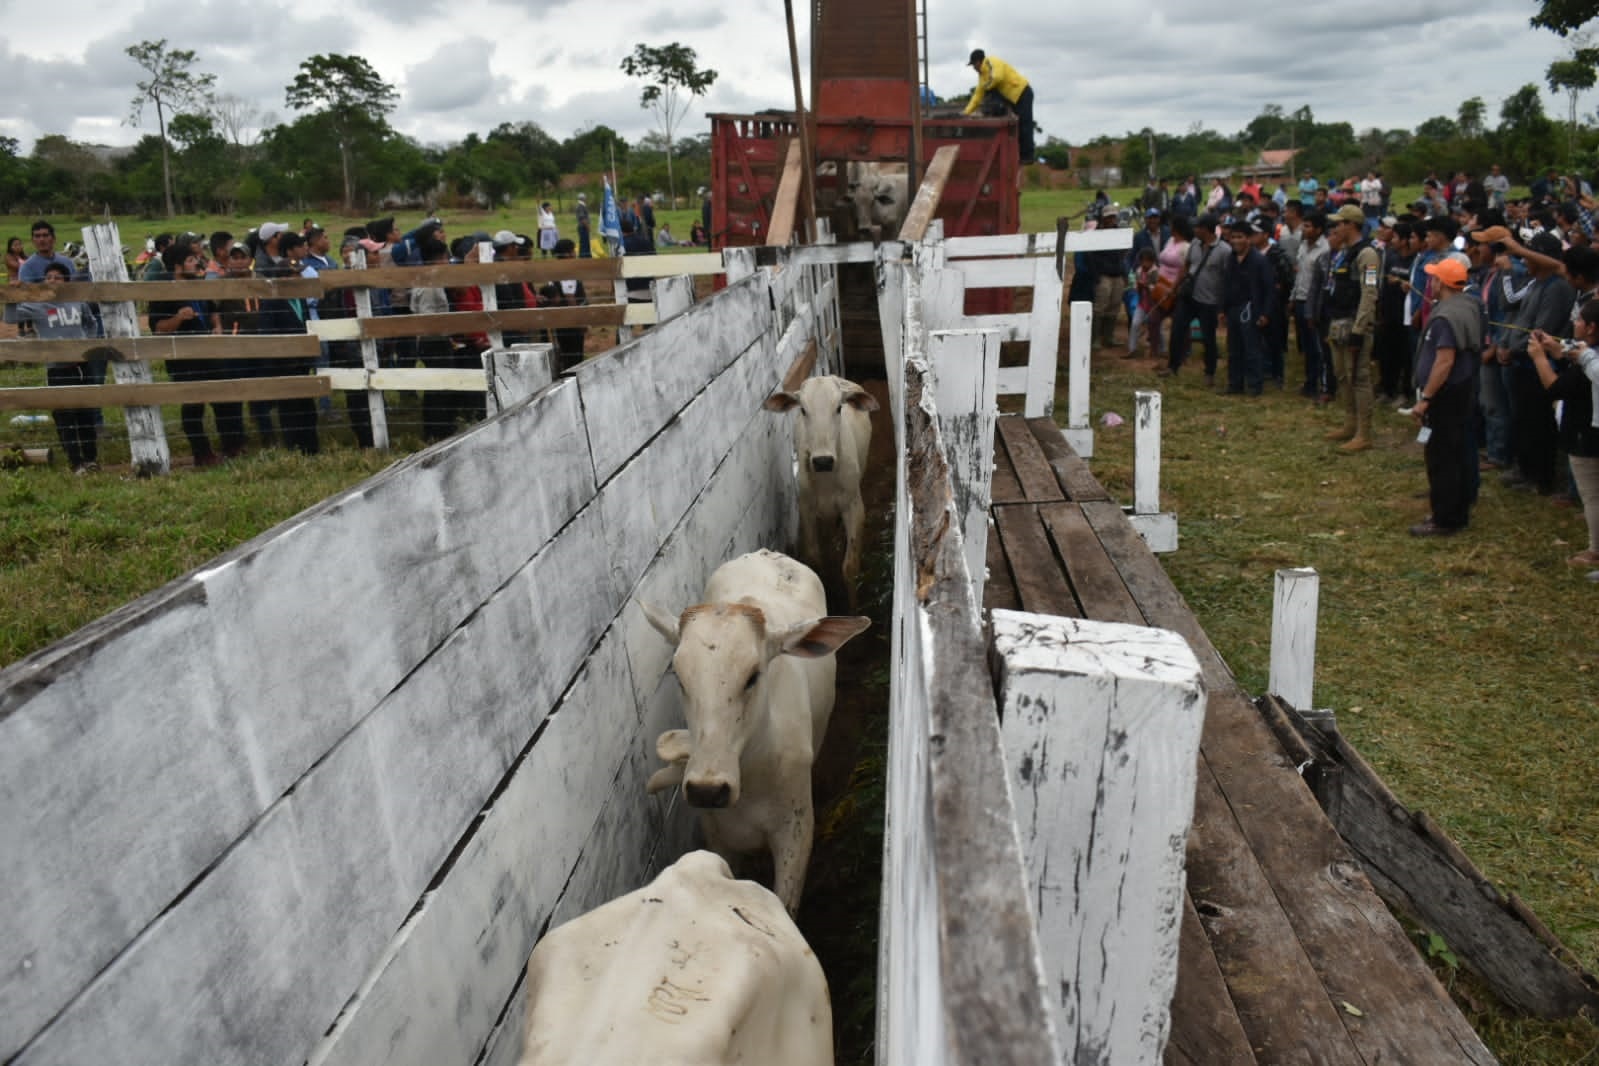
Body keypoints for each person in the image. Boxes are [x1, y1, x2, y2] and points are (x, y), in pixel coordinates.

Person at [3, 261, 103, 472]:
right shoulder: (38, 305)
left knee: (85, 413)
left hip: (82, 365)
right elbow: (11, 317)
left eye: (58, 277)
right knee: (64, 416)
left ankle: (91, 458)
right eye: (48, 278)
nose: (53, 281)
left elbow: (91, 322)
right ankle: (76, 462)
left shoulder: (77, 302)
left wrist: (88, 343)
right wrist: (12, 296)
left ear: (66, 282)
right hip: (58, 369)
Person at [1407, 258, 1483, 535]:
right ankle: (1458, 509)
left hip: (1445, 395)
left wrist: (1426, 397)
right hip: (1464, 391)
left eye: (1433, 278)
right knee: (1459, 452)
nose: (1430, 282)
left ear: (1440, 282)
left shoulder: (1445, 317)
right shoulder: (1471, 304)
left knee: (1442, 458)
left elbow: (1444, 361)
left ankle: (1445, 518)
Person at [148, 243, 231, 467]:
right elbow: (157, 328)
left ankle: (231, 448)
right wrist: (178, 318)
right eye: (191, 260)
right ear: (177, 266)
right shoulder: (163, 293)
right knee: (193, 406)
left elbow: (214, 310)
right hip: (183, 358)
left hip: (210, 353)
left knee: (224, 401)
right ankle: (202, 454)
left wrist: (217, 326)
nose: (197, 263)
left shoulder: (199, 285)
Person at [1531, 303, 1599, 565]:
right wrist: (1555, 349)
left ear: (1591, 327)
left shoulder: (1590, 362)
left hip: (1586, 433)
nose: (1575, 323)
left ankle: (1595, 550)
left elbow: (1557, 387)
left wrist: (1539, 357)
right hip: (1587, 429)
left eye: (1579, 320)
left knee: (1592, 495)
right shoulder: (1587, 355)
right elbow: (1579, 358)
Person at [1323, 204, 1382, 451]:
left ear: (1351, 225)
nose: (1336, 227)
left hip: (1354, 323)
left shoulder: (1367, 254)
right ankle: (1350, 423)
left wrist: (1360, 328)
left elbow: (1369, 292)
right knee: (1343, 375)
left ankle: (1364, 432)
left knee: (1359, 378)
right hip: (1338, 321)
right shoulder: (1344, 252)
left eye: (1340, 223)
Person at [1167, 214, 1227, 382]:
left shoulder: (1224, 251)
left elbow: (1226, 278)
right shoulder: (1194, 243)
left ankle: (1210, 372)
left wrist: (1222, 306)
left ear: (1206, 229)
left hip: (1209, 301)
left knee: (1208, 338)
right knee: (1177, 330)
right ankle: (1173, 366)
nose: (1194, 230)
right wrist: (1175, 287)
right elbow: (1186, 267)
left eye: (1197, 227)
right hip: (1188, 297)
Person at [1222, 219, 1273, 396]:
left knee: (1252, 349)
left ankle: (1254, 385)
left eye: (1240, 237)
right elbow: (1226, 285)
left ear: (1249, 239)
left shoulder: (1259, 261)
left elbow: (1268, 288)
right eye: (1233, 237)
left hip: (1251, 309)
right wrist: (1223, 309)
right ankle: (1235, 384)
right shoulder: (1231, 259)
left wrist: (1266, 313)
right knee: (1234, 349)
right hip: (1233, 309)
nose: (1235, 241)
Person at [962, 49, 1035, 163]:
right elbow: (977, 97)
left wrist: (987, 87)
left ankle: (1028, 156)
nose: (973, 68)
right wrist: (966, 113)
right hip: (1012, 99)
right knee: (1018, 126)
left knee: (1025, 124)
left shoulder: (992, 62)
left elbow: (998, 77)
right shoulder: (982, 77)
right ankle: (1020, 155)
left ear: (978, 62)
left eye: (973, 65)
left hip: (1022, 92)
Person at [540, 238, 589, 371]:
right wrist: (580, 321)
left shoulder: (556, 269)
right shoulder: (566, 271)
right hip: (572, 322)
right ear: (567, 254)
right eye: (573, 251)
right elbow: (570, 298)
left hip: (561, 320)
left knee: (566, 353)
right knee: (575, 356)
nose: (575, 253)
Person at [574, 192, 592, 258]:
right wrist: (588, 226)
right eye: (585, 198)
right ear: (583, 198)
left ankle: (586, 256)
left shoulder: (582, 206)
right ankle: (584, 257)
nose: (586, 199)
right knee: (584, 243)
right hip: (583, 227)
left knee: (586, 243)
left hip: (583, 227)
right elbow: (582, 218)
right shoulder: (581, 206)